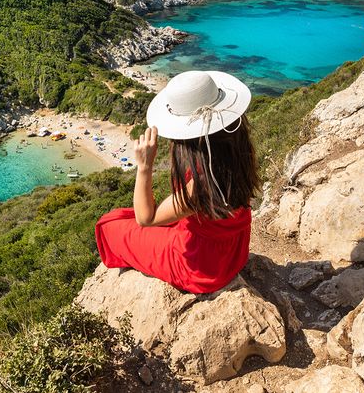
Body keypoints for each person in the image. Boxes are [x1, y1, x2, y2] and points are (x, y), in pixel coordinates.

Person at [95, 71, 259, 294]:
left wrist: (144, 167)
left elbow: (147, 218)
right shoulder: (238, 152)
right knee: (127, 216)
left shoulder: (202, 186)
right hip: (233, 252)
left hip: (203, 267)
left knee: (110, 225)